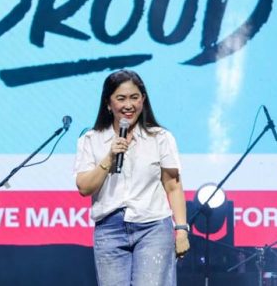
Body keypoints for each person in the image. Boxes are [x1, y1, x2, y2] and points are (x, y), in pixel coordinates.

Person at [74, 69, 190, 286]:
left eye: (134, 97)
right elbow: (84, 187)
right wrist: (109, 157)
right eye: (121, 98)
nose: (128, 105)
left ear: (143, 100)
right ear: (108, 103)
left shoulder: (160, 138)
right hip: (109, 229)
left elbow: (173, 186)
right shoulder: (90, 140)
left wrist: (181, 229)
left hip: (153, 226)